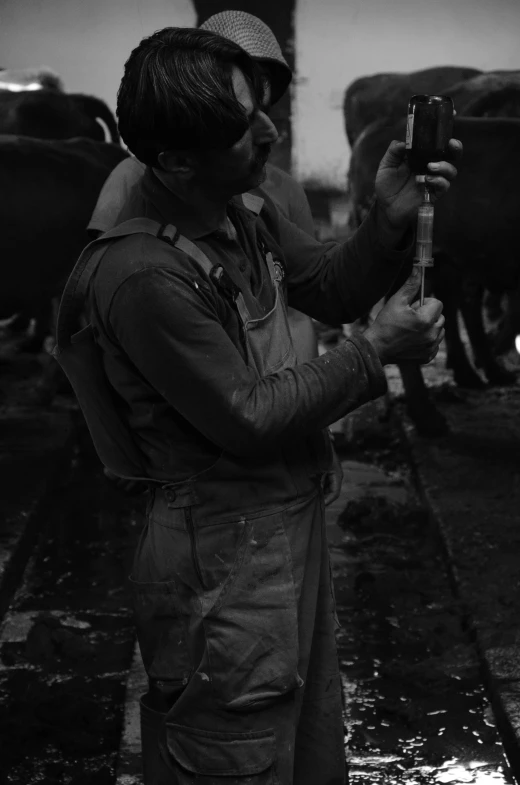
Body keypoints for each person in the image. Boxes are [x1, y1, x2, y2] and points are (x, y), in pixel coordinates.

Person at [58, 26, 460, 785]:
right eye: (242, 126)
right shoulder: (144, 273)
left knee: (303, 743)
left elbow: (330, 286)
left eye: (259, 105)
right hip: (218, 557)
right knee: (234, 751)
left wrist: (387, 217)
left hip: (278, 527)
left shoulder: (241, 210)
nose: (268, 129)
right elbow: (245, 418)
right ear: (174, 160)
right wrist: (374, 352)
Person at [88, 11, 345, 505]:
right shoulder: (134, 188)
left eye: (260, 87)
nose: (261, 117)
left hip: (273, 438)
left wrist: (315, 433)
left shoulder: (274, 194)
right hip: (206, 470)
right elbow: (107, 315)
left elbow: (299, 313)